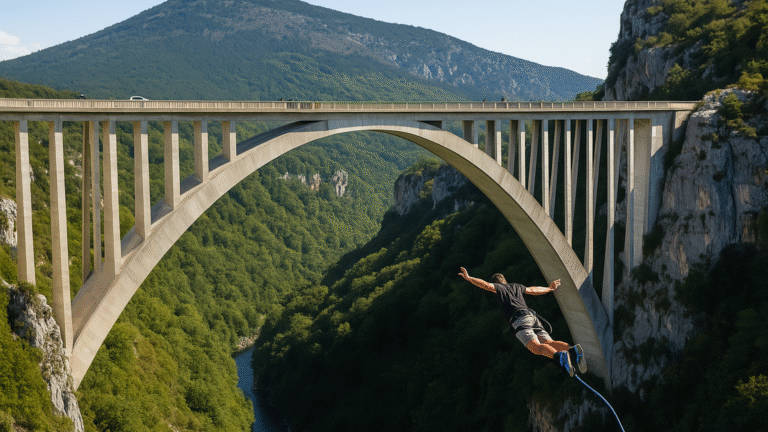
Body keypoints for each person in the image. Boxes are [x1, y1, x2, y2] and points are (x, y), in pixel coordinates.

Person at [458, 267, 585, 376]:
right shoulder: (516, 286)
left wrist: (469, 278)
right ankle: (572, 351)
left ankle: (559, 357)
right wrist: (549, 288)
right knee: (549, 342)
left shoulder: (499, 289)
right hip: (532, 317)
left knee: (536, 348)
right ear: (505, 280)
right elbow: (533, 290)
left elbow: (485, 285)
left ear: (497, 283)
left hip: (520, 320)